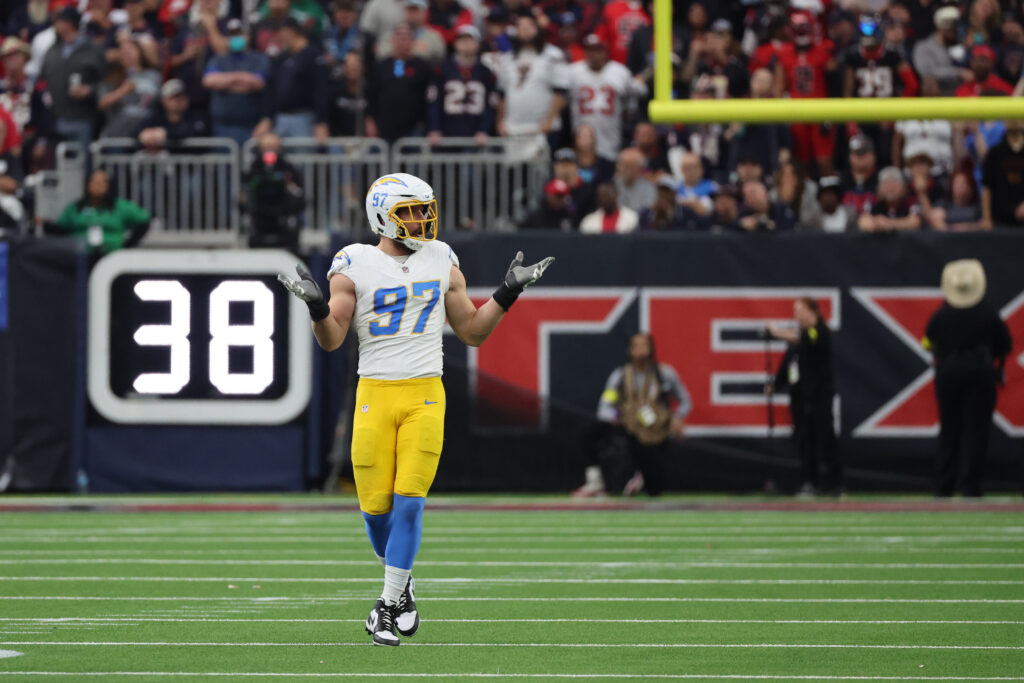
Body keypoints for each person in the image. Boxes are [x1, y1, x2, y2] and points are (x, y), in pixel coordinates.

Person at [277, 172, 554, 646]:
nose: (422, 219)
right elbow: (333, 340)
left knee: (410, 502)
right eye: (410, 211)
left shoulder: (441, 257)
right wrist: (318, 309)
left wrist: (508, 292)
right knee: (374, 510)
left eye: (426, 209)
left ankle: (384, 607)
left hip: (426, 391)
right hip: (375, 394)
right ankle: (401, 588)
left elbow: (471, 330)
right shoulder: (354, 263)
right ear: (383, 216)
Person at [923, 260, 1012, 497]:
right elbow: (1006, 345)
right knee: (976, 430)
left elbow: (927, 342)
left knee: (949, 429)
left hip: (949, 372)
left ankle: (944, 486)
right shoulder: (988, 314)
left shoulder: (941, 314)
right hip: (979, 373)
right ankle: (970, 486)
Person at [574, 332, 690, 497]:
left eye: (644, 345)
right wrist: (615, 417)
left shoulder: (664, 374)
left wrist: (678, 417)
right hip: (629, 429)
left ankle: (642, 476)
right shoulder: (620, 375)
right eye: (636, 346)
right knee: (588, 432)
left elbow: (685, 400)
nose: (640, 350)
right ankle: (595, 481)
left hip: (655, 433)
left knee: (654, 489)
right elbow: (606, 403)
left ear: (651, 349)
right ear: (630, 350)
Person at [768, 297, 843, 497]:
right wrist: (775, 384)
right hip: (800, 399)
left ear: (814, 311)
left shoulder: (819, 332)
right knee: (805, 442)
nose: (797, 315)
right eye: (795, 310)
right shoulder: (797, 340)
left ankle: (834, 484)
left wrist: (777, 331)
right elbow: (788, 365)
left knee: (825, 440)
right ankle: (810, 483)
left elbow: (805, 339)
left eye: (801, 310)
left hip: (819, 398)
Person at [201, 18, 271, 145]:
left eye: (239, 34)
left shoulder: (259, 59)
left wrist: (224, 83)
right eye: (232, 35)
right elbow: (209, 81)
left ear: (248, 36)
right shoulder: (218, 59)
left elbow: (258, 82)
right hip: (222, 126)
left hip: (252, 125)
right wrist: (242, 77)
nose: (236, 38)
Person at [54, 168, 151, 253]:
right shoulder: (76, 207)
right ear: (88, 184)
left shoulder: (119, 206)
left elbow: (144, 220)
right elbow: (60, 228)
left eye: (102, 182)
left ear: (108, 185)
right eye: (94, 182)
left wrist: (128, 244)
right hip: (80, 258)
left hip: (111, 256)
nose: (98, 186)